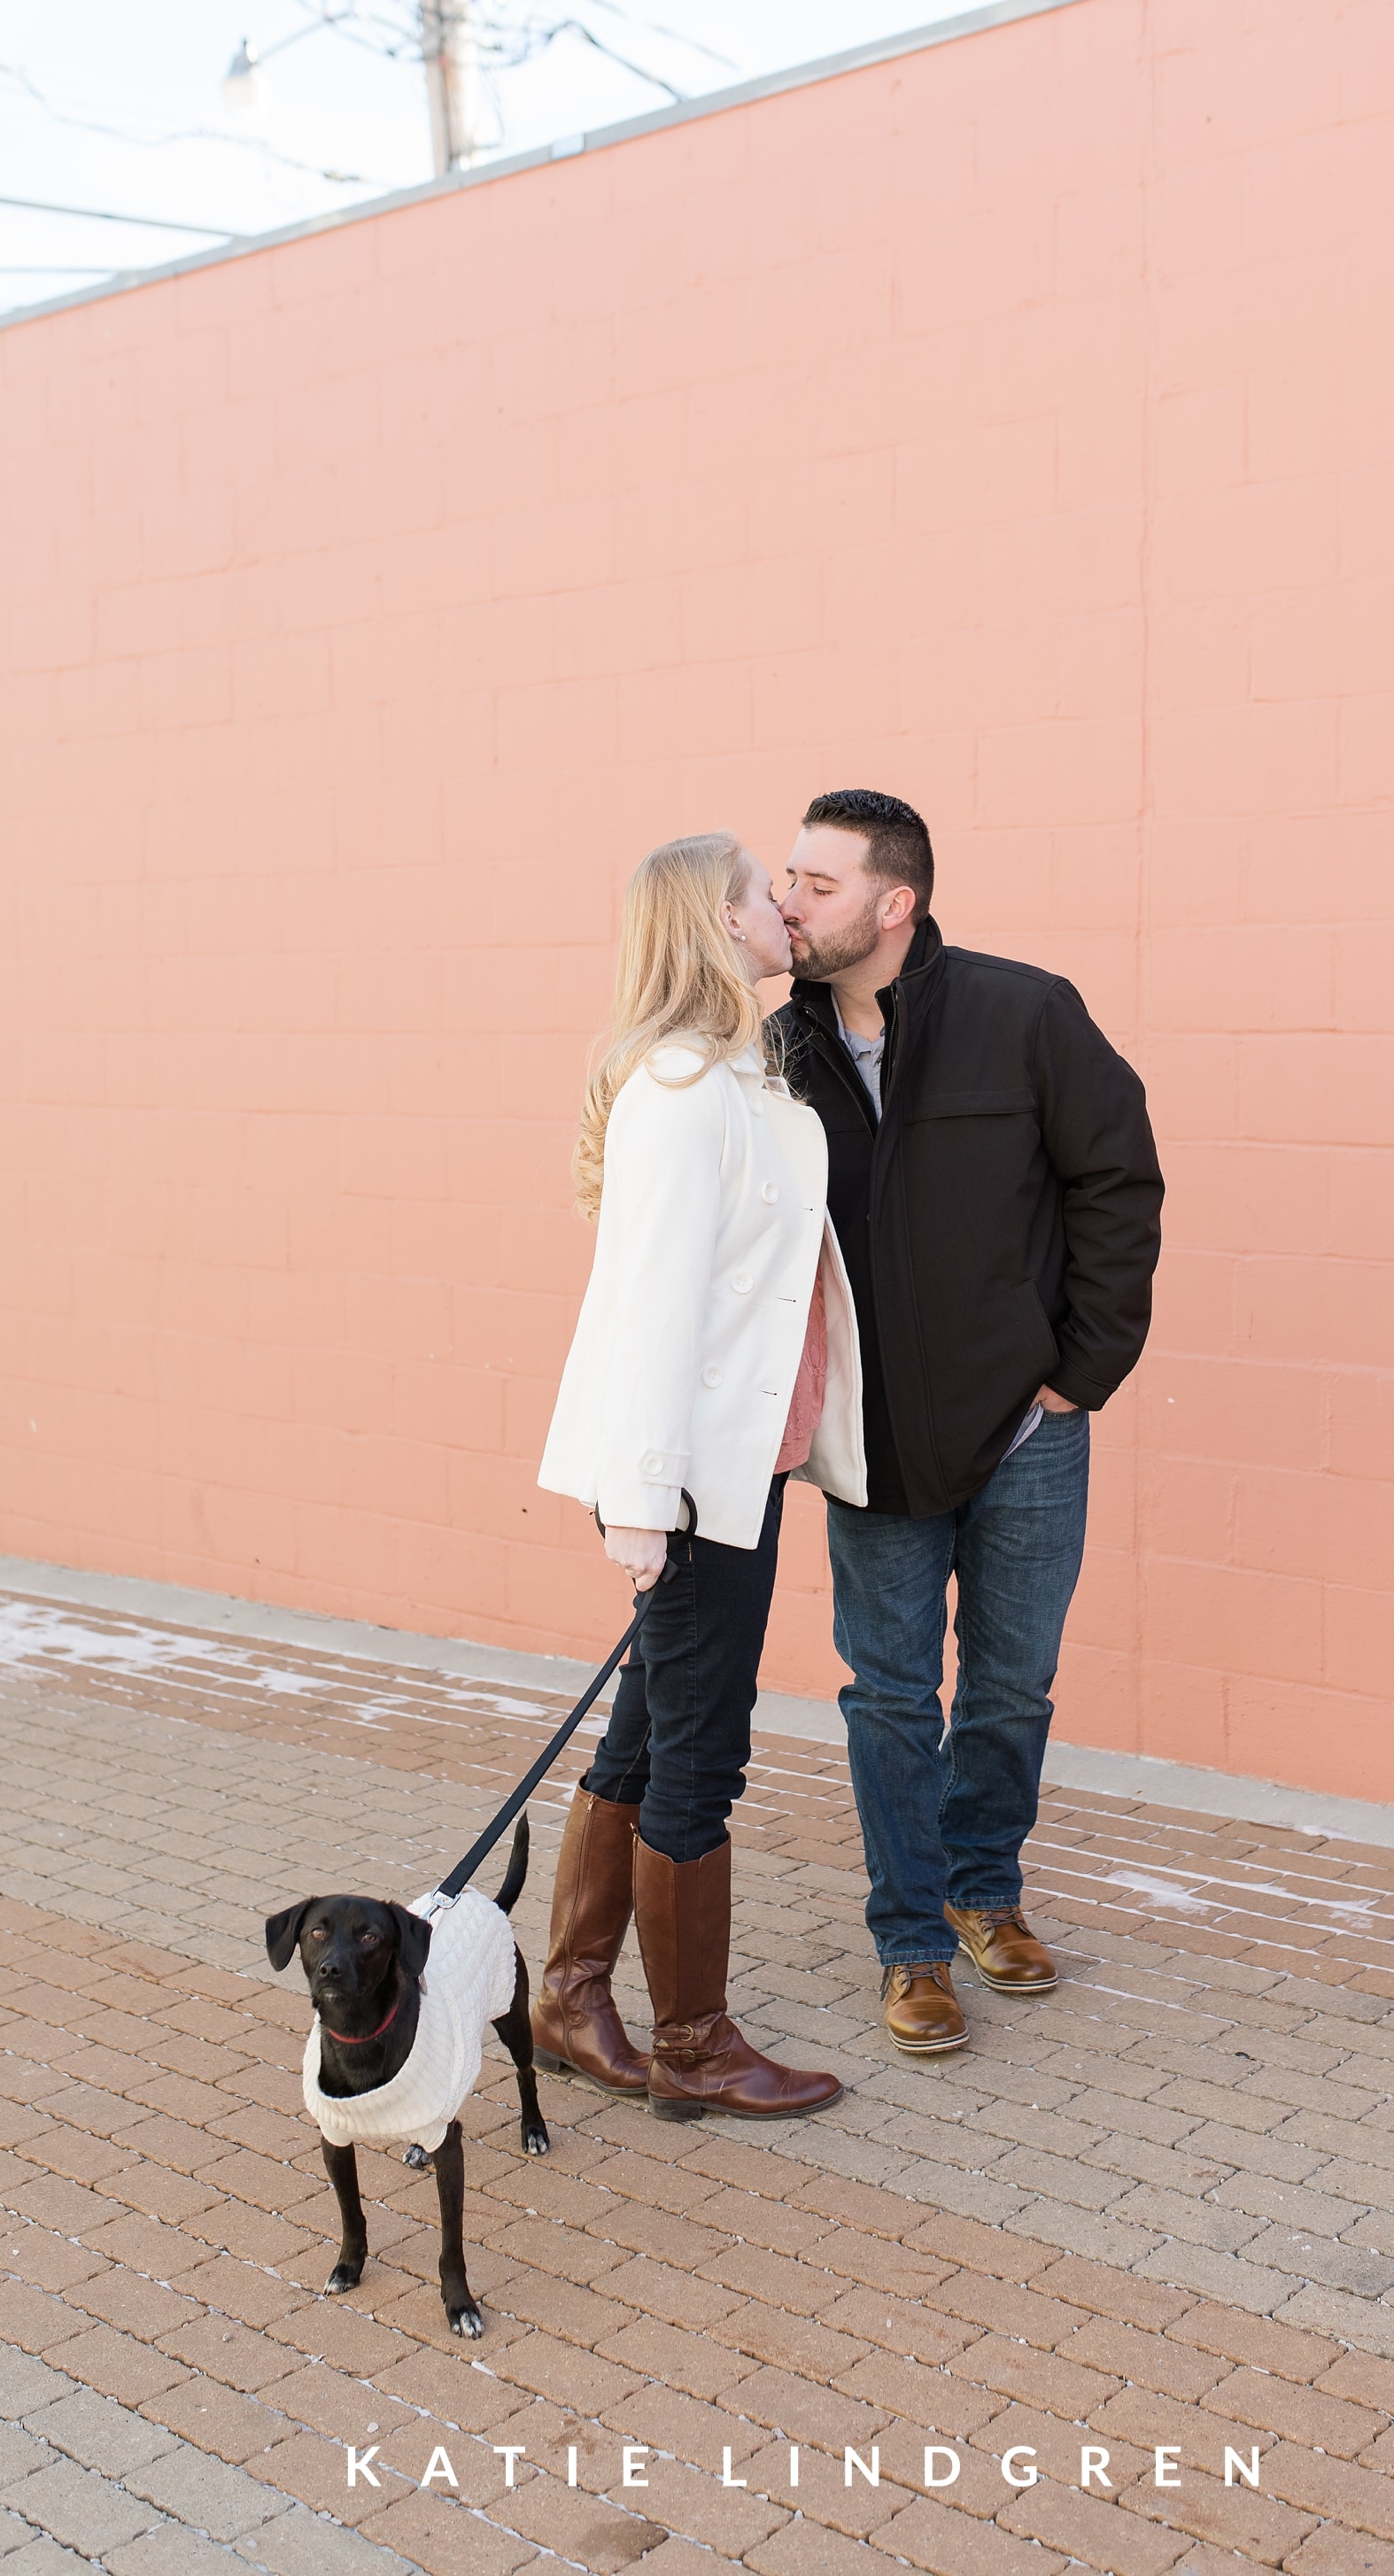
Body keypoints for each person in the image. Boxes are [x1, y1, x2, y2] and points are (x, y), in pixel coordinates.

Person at [773, 792, 1162, 2054]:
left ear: (898, 903)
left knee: (1009, 1684)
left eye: (817, 884)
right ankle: (912, 1943)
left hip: (1028, 1432)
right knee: (890, 1696)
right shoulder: (778, 1051)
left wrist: (1081, 1369)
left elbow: (1117, 1176)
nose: (789, 902)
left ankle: (984, 1890)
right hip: (875, 1444)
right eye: (786, 878)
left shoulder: (1025, 1011)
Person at [535, 831, 867, 2121]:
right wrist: (641, 1504)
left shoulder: (732, 1077)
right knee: (699, 1756)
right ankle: (693, 2046)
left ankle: (569, 1997)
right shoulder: (683, 1092)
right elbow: (652, 1309)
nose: (784, 907)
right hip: (685, 1488)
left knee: (648, 1731)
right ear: (722, 926)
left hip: (731, 1471)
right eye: (763, 894)